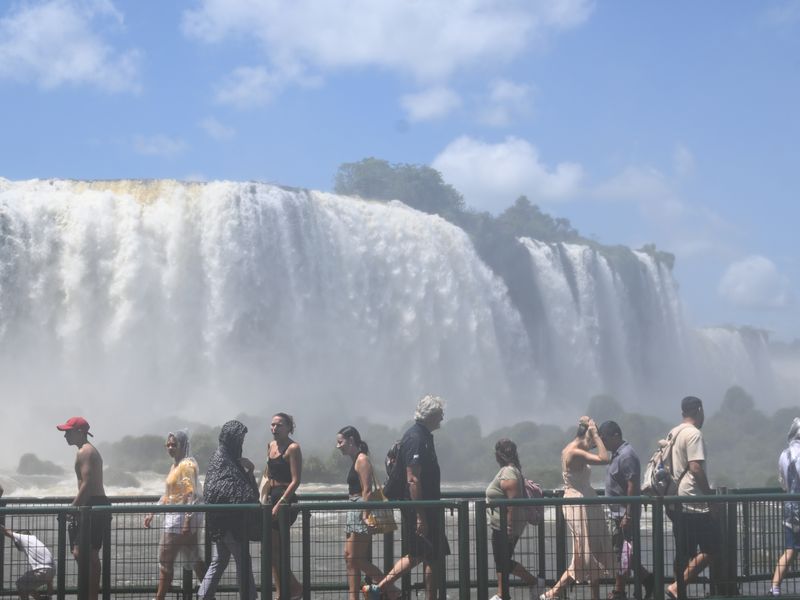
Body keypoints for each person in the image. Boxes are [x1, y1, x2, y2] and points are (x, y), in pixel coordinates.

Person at [365, 394, 450, 600]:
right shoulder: (416, 438)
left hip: (426, 506)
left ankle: (425, 597)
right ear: (430, 415)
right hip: (418, 507)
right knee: (419, 553)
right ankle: (379, 589)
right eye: (440, 414)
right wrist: (420, 515)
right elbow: (412, 479)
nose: (442, 417)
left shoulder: (423, 436)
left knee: (432, 555)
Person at [541, 416, 613, 600]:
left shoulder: (573, 449)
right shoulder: (574, 452)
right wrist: (595, 434)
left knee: (591, 550)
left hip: (585, 502)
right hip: (580, 504)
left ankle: (592, 596)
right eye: (594, 440)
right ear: (588, 436)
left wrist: (592, 430)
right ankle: (554, 592)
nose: (596, 444)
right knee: (585, 552)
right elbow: (605, 458)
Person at [664, 396, 721, 600]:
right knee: (712, 547)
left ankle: (680, 592)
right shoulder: (694, 434)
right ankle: (677, 587)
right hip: (693, 500)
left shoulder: (673, 432)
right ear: (699, 410)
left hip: (675, 500)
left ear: (682, 412)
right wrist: (710, 497)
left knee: (684, 552)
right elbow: (695, 467)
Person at [197, 420, 259, 600]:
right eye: (240, 439)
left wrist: (250, 470)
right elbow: (228, 491)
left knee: (220, 559)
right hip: (229, 523)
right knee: (243, 560)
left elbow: (239, 489)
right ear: (232, 439)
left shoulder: (226, 459)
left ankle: (203, 596)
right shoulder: (223, 460)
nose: (241, 443)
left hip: (220, 522)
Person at [336, 426, 398, 600]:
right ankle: (354, 596)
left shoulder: (362, 459)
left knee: (355, 558)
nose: (338, 446)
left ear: (351, 440)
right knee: (349, 557)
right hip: (354, 508)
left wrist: (365, 515)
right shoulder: (356, 458)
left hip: (360, 509)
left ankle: (391, 590)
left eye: (340, 442)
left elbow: (367, 490)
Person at [143, 430, 207, 600]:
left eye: (174, 444)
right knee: (195, 559)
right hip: (179, 518)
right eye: (168, 445)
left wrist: (186, 521)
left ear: (182, 445)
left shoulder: (186, 465)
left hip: (179, 520)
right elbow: (168, 495)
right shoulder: (175, 465)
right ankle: (210, 594)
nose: (170, 448)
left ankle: (159, 598)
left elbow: (190, 494)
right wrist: (153, 511)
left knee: (165, 561)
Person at [597, 421, 654, 600]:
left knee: (621, 553)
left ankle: (619, 591)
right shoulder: (617, 454)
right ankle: (647, 580)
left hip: (623, 513)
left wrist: (628, 514)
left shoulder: (627, 455)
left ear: (616, 436)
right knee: (623, 553)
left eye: (604, 439)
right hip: (617, 513)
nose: (603, 443)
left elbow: (632, 485)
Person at [56, 416, 110, 600]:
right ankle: (89, 595)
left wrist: (73, 507)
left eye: (68, 432)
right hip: (91, 504)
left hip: (94, 504)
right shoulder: (85, 450)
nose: (65, 436)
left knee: (86, 554)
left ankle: (91, 596)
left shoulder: (85, 451)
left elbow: (87, 484)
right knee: (83, 553)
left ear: (80, 432)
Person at [485, 438, 545, 600]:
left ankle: (532, 582)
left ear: (498, 455)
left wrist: (509, 527)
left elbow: (513, 502)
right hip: (503, 524)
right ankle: (503, 593)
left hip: (505, 525)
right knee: (502, 560)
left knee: (502, 560)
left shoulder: (508, 472)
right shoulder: (511, 470)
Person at [263, 412, 303, 599]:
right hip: (271, 498)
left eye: (279, 425)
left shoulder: (293, 448)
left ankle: (293, 589)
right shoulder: (270, 445)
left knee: (276, 550)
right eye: (272, 425)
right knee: (271, 551)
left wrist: (280, 504)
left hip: (285, 501)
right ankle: (284, 592)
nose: (274, 428)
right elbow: (268, 474)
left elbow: (296, 481)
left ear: (289, 428)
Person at [768, 417, 800, 595]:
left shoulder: (784, 454)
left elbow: (783, 483)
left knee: (790, 550)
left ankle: (775, 587)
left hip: (790, 507)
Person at [0, 525, 54, 600]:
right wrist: (49, 595)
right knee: (27, 584)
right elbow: (49, 578)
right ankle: (42, 598)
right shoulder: (35, 541)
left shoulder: (23, 537)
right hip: (51, 571)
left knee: (20, 583)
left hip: (42, 570)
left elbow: (6, 531)